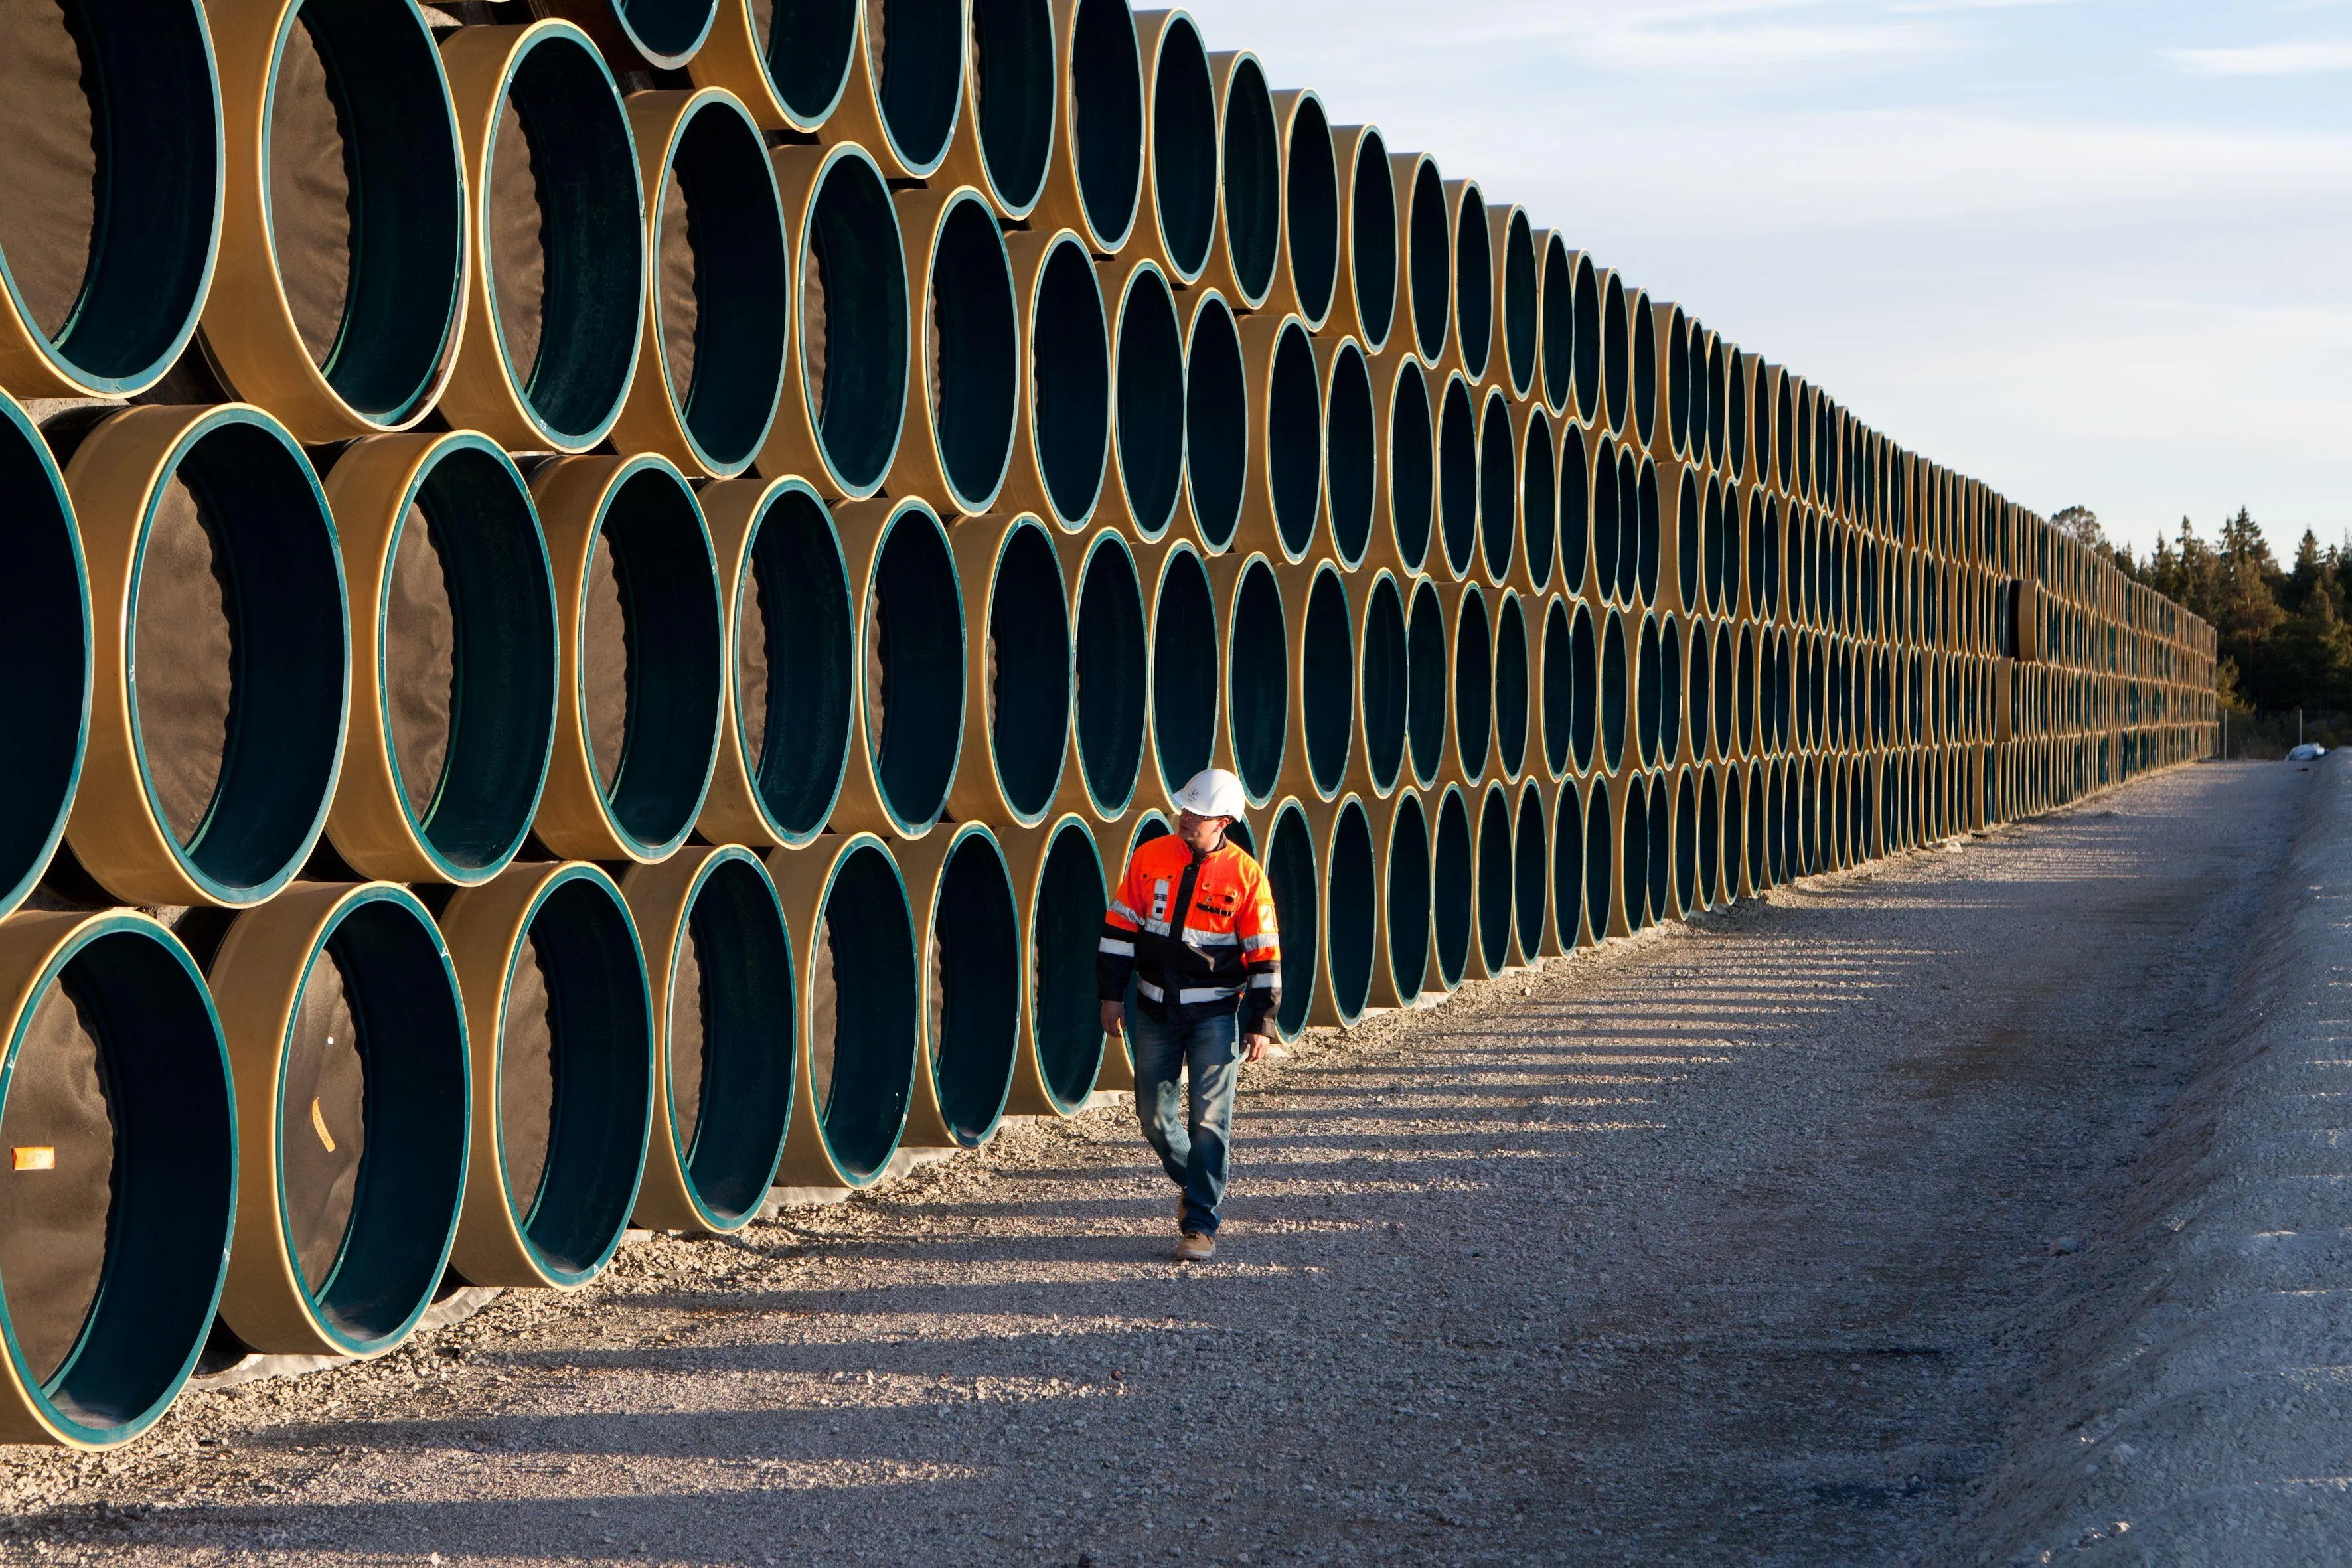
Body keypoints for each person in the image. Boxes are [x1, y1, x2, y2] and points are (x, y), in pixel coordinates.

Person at [1097, 768, 1280, 1262]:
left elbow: (1264, 954)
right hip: (1153, 1008)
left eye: (1196, 813)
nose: (1185, 817)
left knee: (1210, 1121)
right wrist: (1109, 995)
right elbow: (1118, 931)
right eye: (1184, 808)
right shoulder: (1150, 856)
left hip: (1215, 1016)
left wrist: (1261, 1022)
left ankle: (1199, 1224)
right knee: (1153, 1117)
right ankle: (1199, 1180)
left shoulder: (1245, 875)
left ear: (1222, 822)